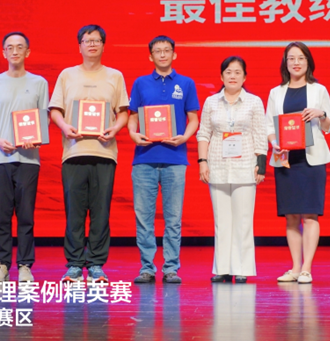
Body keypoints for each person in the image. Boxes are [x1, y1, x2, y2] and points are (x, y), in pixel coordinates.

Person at [49, 24, 129, 283]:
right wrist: (65, 127)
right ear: (79, 46)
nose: (92, 44)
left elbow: (123, 112)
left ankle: (96, 264)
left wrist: (115, 128)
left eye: (96, 40)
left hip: (104, 153)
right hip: (74, 152)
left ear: (103, 45)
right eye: (87, 40)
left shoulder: (115, 76)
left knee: (100, 212)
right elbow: (55, 110)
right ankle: (74, 264)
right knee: (74, 211)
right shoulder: (67, 75)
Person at [127, 36, 200, 285]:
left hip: (175, 159)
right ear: (150, 56)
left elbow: (193, 118)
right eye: (157, 51)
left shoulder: (186, 83)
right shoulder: (140, 83)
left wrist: (184, 138)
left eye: (167, 50)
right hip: (144, 159)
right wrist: (133, 134)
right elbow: (133, 116)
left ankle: (171, 268)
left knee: (173, 218)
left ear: (174, 54)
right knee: (143, 217)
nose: (162, 54)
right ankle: (147, 268)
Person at [0, 32, 49, 283]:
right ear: (3, 53)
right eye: (10, 47)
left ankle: (25, 265)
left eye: (20, 47)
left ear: (28, 52)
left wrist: (36, 138)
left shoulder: (39, 82)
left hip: (28, 159)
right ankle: (2, 264)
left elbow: (44, 118)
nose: (15, 51)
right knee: (1, 215)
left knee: (26, 215)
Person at [265, 42, 330, 284]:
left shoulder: (319, 90)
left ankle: (306, 268)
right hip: (285, 159)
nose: (296, 62)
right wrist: (274, 143)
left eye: (301, 58)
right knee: (291, 216)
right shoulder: (276, 92)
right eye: (291, 58)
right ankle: (294, 267)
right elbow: (269, 125)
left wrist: (321, 114)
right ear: (285, 63)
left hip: (312, 160)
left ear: (308, 62)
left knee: (310, 215)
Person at [196, 56, 267, 283]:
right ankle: (223, 268)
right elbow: (203, 133)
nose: (233, 76)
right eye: (228, 72)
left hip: (245, 166)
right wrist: (202, 161)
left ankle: (242, 268)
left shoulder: (254, 102)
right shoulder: (211, 102)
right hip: (217, 165)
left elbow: (260, 134)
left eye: (237, 72)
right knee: (222, 220)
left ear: (245, 77)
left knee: (243, 220)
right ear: (221, 76)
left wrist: (261, 165)